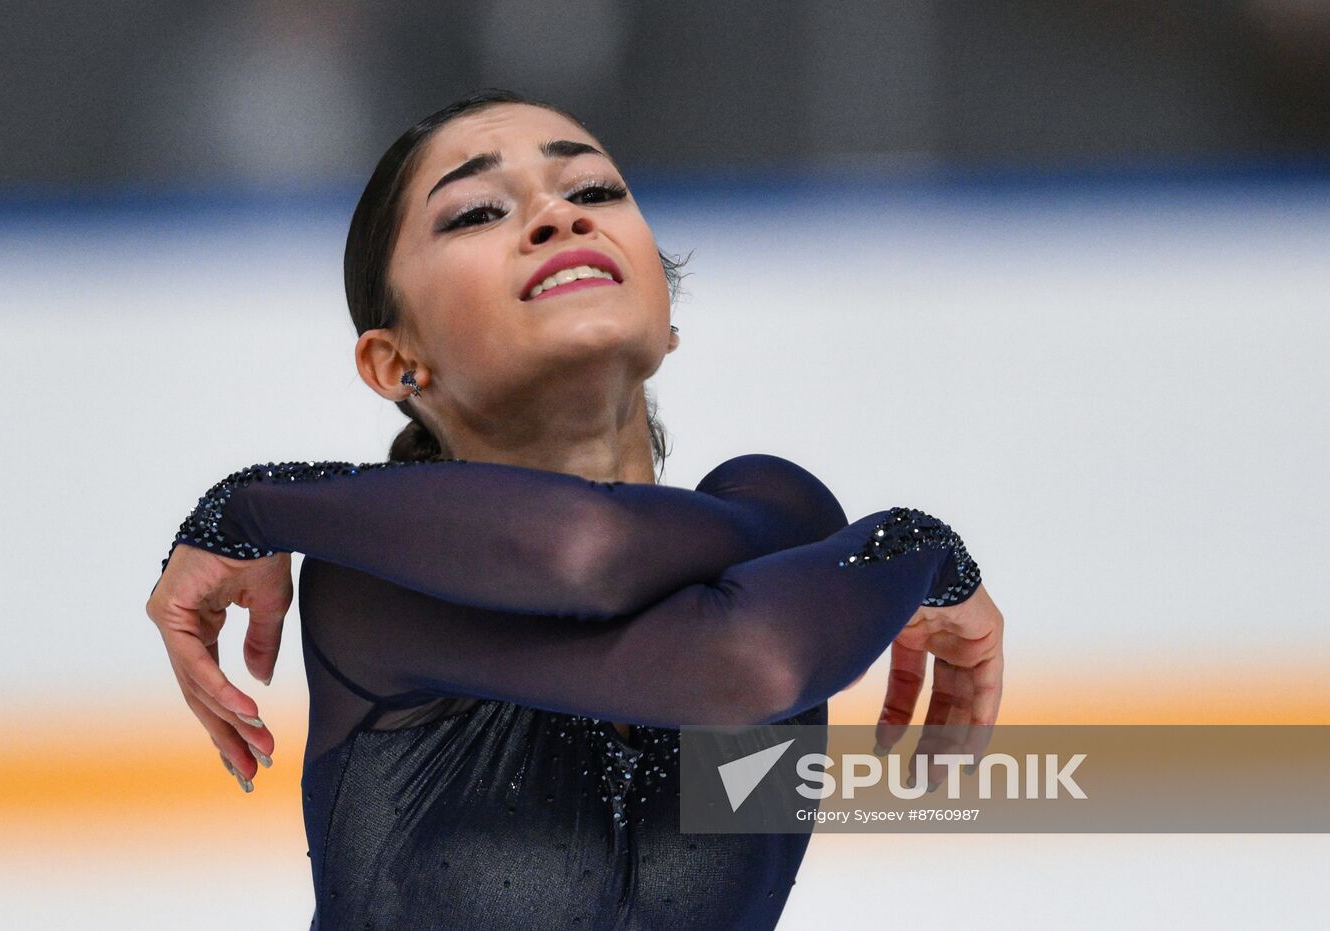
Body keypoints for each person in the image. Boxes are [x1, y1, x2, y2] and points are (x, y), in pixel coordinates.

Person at [145, 87, 1004, 930]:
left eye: (592, 191)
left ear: (668, 320)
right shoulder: (374, 586)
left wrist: (258, 507)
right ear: (392, 361)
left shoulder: (777, 500)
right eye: (477, 211)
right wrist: (910, 548)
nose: (560, 217)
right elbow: (606, 568)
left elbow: (744, 644)